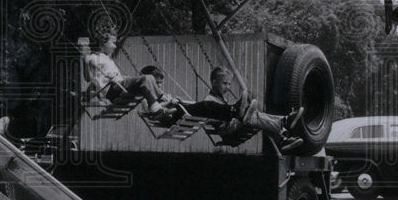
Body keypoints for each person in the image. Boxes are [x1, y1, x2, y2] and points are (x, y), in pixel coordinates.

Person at [150, 66, 304, 151]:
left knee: (251, 114)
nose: (227, 87)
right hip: (226, 130)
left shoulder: (219, 100)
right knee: (249, 114)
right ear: (214, 82)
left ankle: (282, 129)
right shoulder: (210, 101)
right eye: (224, 84)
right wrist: (172, 103)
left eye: (229, 84)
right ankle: (282, 126)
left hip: (233, 124)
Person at [84, 29, 166, 116]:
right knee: (146, 78)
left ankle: (156, 107)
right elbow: (88, 78)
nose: (115, 46)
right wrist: (85, 61)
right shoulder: (93, 58)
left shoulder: (107, 58)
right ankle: (161, 99)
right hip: (113, 89)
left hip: (119, 86)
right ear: (103, 43)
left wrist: (124, 77)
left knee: (145, 84)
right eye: (113, 43)